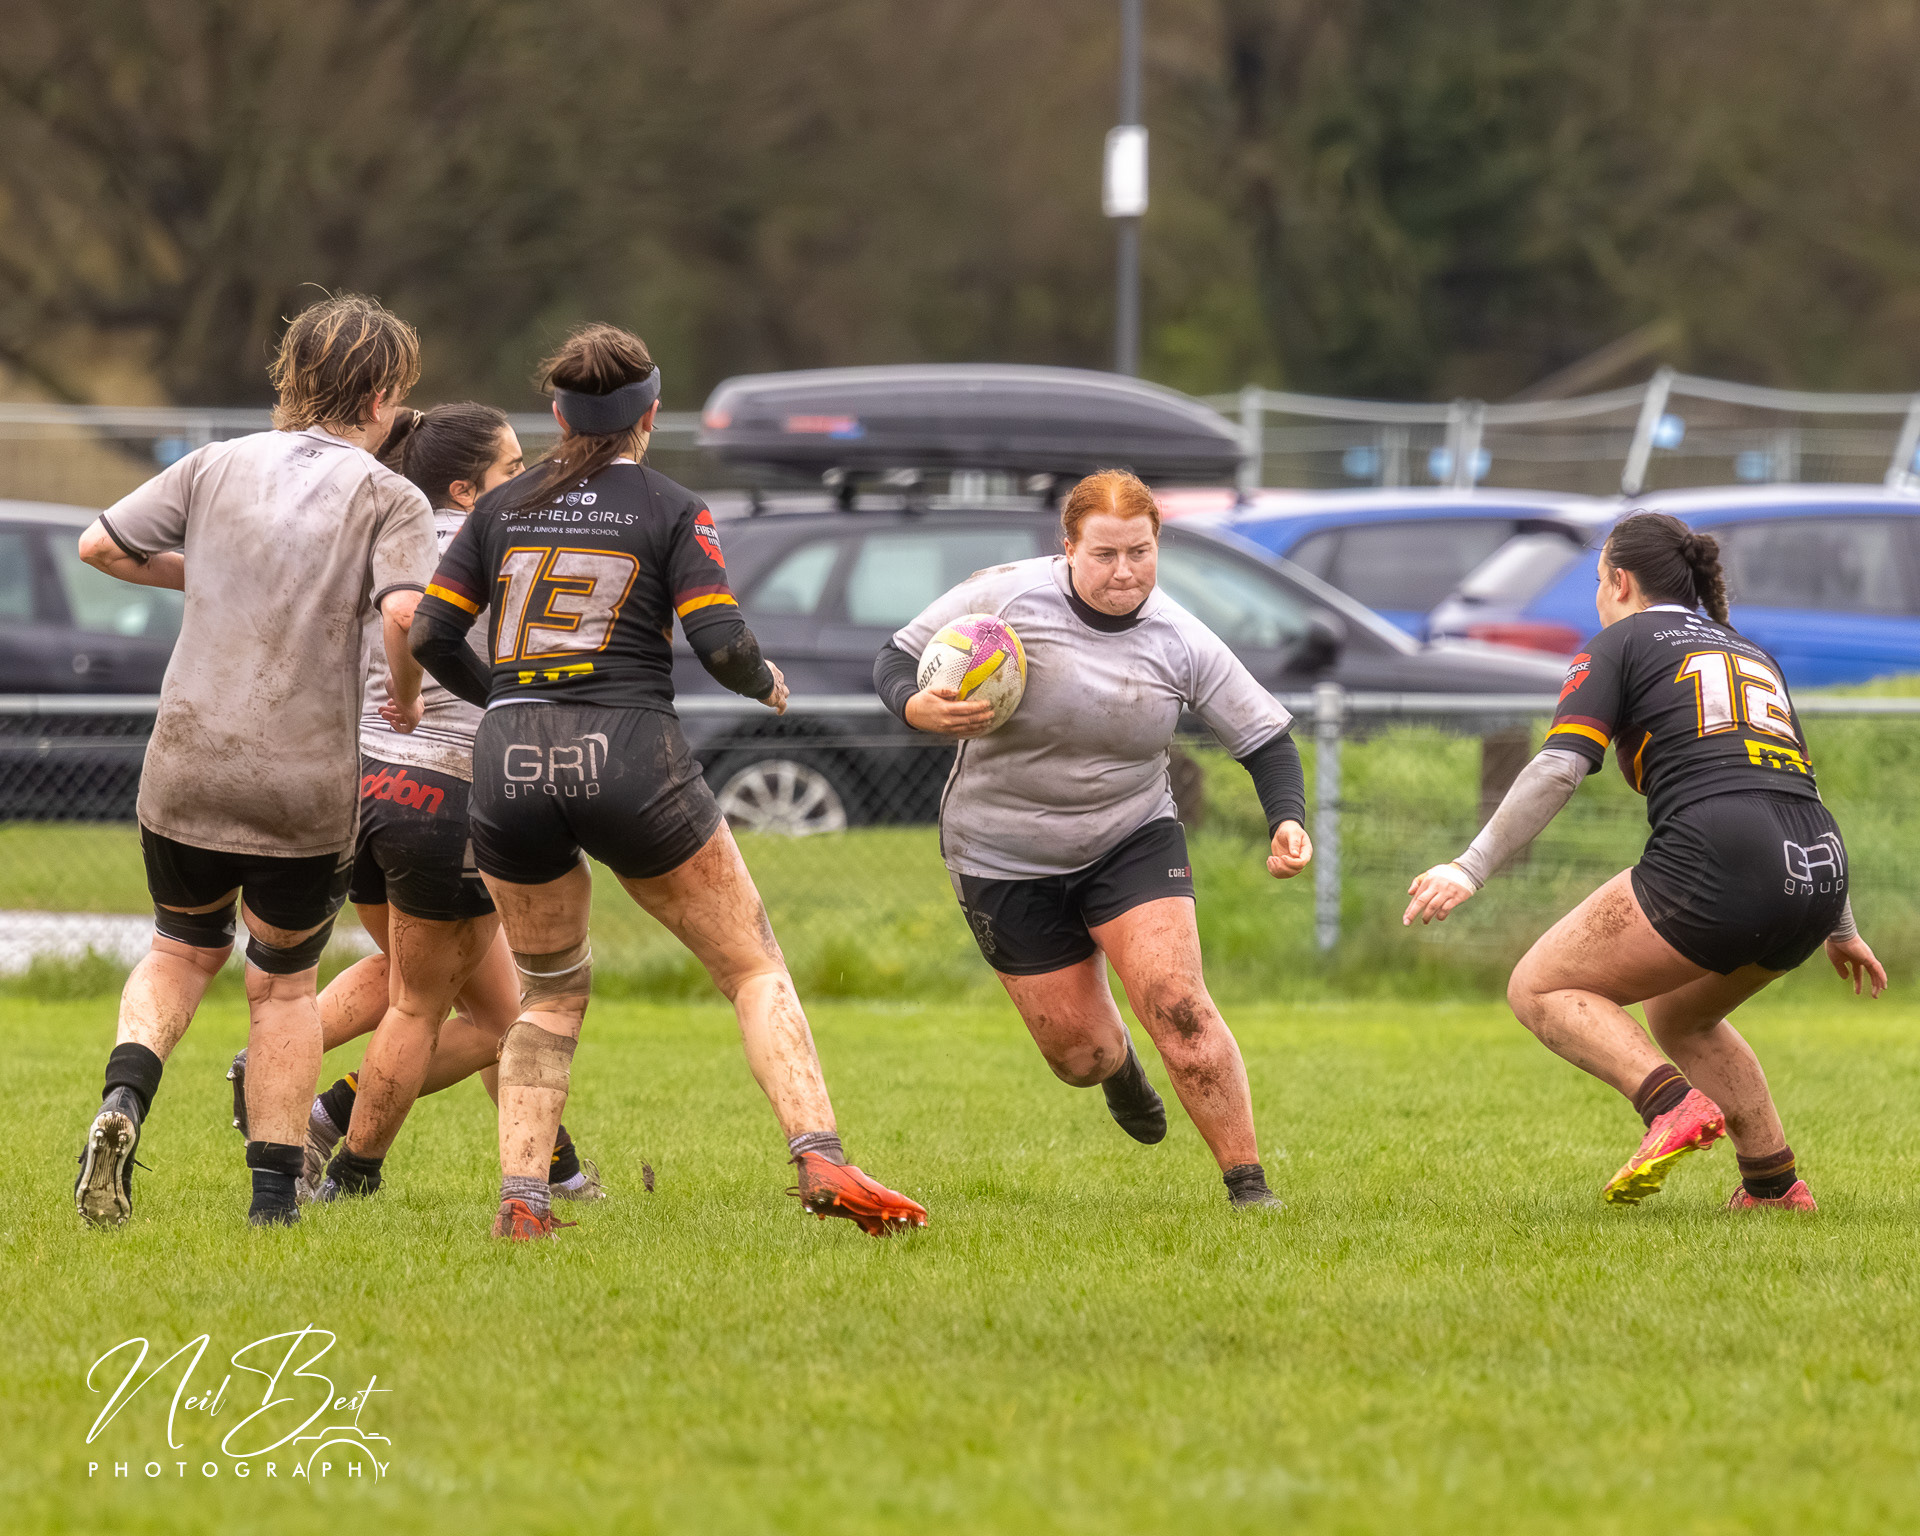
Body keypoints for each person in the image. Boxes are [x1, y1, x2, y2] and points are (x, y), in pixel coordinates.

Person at [408, 322, 928, 1240]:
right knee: (752, 966)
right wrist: (764, 682)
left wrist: (511, 700)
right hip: (630, 752)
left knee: (549, 995)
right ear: (649, 416)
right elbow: (720, 641)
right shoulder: (672, 506)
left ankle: (524, 1200)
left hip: (511, 759)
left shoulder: (501, 507)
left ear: (558, 415)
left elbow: (429, 635)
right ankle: (819, 1155)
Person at [71, 293, 437, 1229]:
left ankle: (124, 1100)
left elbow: (100, 544)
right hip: (300, 787)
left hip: (186, 763)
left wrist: (207, 578)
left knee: (179, 949)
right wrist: (404, 696)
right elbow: (405, 611)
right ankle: (272, 1201)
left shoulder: (214, 463)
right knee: (281, 986)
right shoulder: (389, 495)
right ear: (381, 395)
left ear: (294, 376)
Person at [1404, 511, 1887, 1211]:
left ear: (1621, 582)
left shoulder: (1620, 642)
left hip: (1724, 854)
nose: (1599, 595)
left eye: (1599, 579)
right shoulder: (1750, 652)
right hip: (1817, 867)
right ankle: (1773, 1187)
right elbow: (1795, 787)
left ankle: (1671, 1108)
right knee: (1681, 1018)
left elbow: (1559, 767)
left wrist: (1468, 866)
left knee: (1539, 987)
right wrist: (1840, 927)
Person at [875, 468, 1312, 1209]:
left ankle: (1249, 1187)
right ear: (1069, 546)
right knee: (1080, 1055)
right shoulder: (1005, 597)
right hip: (1001, 852)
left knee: (1178, 1003)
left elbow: (1265, 739)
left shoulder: (1180, 637)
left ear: (1158, 545)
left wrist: (1287, 820)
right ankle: (1120, 1069)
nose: (1124, 572)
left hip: (1130, 837)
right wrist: (916, 707)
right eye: (1105, 554)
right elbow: (893, 658)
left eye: (1140, 552)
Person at [224, 405, 603, 1202]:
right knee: (455, 1011)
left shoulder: (381, 536)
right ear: (464, 487)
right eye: (510, 469)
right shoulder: (497, 546)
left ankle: (558, 1171)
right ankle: (342, 1153)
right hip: (446, 786)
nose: (523, 480)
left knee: (426, 977)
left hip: (359, 783)